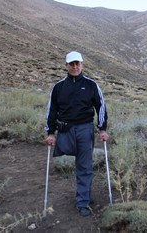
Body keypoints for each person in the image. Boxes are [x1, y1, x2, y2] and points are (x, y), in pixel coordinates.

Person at [45, 51, 109, 217]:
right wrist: (51, 133)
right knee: (68, 159)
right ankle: (85, 195)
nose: (74, 67)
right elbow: (51, 110)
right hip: (65, 131)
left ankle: (83, 201)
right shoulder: (58, 87)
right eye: (71, 64)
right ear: (66, 65)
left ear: (82, 64)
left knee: (84, 165)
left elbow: (100, 106)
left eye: (77, 63)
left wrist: (102, 128)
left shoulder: (91, 85)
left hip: (84, 129)